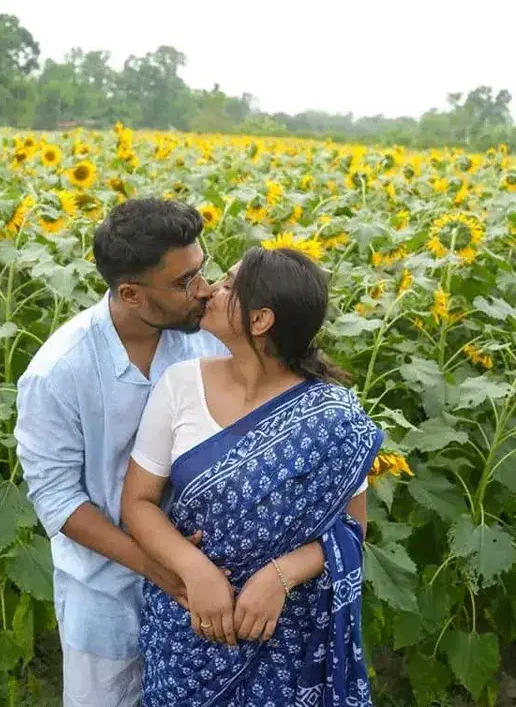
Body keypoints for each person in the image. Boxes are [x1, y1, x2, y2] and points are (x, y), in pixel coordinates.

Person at [121, 246, 383, 707]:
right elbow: (138, 502)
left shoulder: (332, 419)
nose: (210, 291)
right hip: (189, 622)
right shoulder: (182, 384)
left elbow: (354, 529)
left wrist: (280, 575)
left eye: (227, 286)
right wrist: (194, 569)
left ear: (260, 321)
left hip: (286, 632)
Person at [15, 198, 229, 707]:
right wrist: (157, 565)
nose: (203, 291)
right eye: (183, 283)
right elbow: (56, 497)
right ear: (130, 294)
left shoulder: (207, 342)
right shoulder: (59, 373)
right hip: (108, 589)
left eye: (202, 271)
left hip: (206, 579)